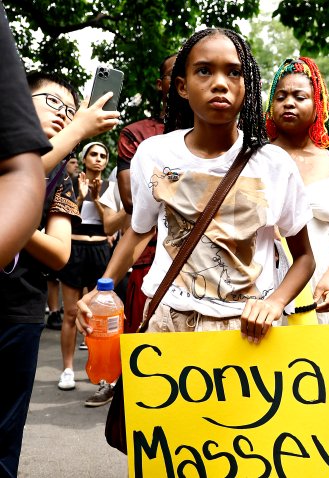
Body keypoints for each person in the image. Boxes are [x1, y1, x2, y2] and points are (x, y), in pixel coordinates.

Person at [76, 27, 314, 348]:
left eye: (234, 72)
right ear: (182, 87)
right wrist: (101, 289)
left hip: (247, 329)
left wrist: (273, 303)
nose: (220, 82)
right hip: (166, 320)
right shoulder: (154, 154)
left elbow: (304, 258)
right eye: (204, 70)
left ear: (248, 86)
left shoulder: (274, 164)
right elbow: (139, 231)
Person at [0, 5, 62, 475]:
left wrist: (22, 228)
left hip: (19, 310)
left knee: (3, 438)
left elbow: (60, 253)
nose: (63, 115)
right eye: (52, 103)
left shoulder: (66, 174)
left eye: (70, 111)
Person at [265, 57, 329, 325]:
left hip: (322, 278)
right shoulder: (255, 160)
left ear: (317, 105)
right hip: (266, 277)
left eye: (300, 96)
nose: (289, 103)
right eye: (280, 96)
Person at [115, 53, 176, 334]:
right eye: (174, 74)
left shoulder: (227, 137)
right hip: (149, 259)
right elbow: (132, 203)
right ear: (160, 84)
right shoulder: (138, 135)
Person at [56, 142, 117, 392]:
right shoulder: (68, 184)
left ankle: (101, 370)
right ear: (84, 159)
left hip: (101, 249)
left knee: (99, 316)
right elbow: (66, 221)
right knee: (71, 313)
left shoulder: (111, 188)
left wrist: (97, 200)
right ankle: (68, 369)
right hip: (75, 247)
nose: (99, 159)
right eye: (94, 154)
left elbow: (110, 226)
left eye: (103, 155)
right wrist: (81, 197)